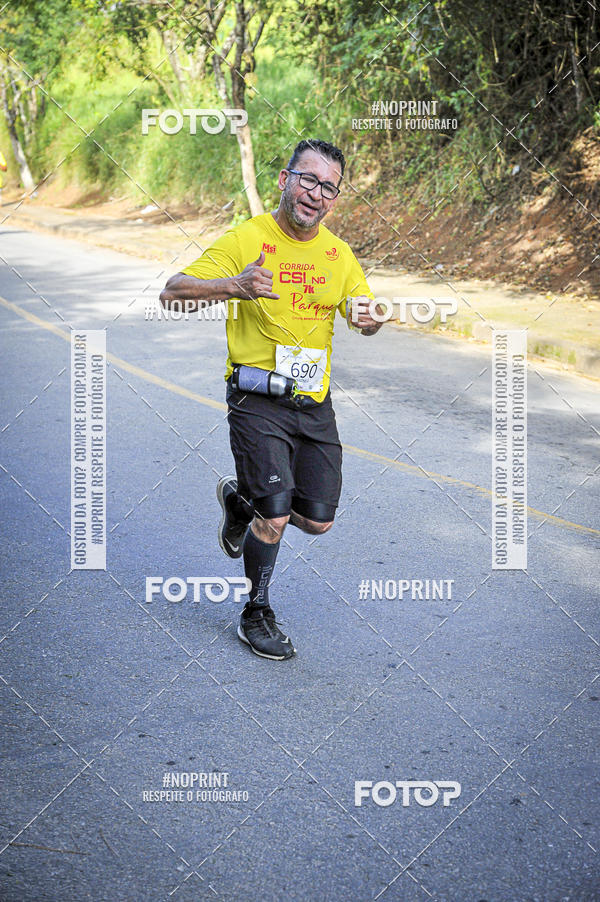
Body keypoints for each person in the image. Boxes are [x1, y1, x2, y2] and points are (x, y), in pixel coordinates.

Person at [159, 138, 382, 661]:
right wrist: (235, 286)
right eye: (308, 179)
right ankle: (256, 611)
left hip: (313, 402)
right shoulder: (248, 238)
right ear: (284, 180)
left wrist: (369, 321)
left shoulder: (338, 255)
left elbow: (362, 311)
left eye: (329, 187)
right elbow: (172, 292)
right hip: (256, 396)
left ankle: (243, 500)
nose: (316, 193)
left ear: (335, 198)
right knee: (277, 515)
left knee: (318, 520)